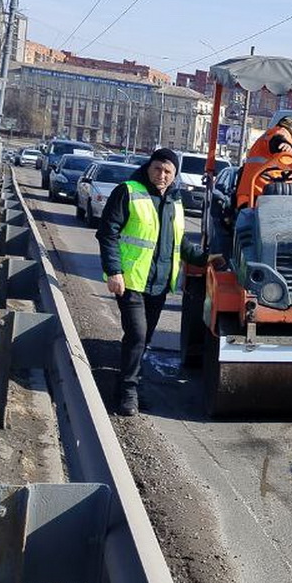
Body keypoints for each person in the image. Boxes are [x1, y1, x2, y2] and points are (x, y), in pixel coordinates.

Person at [98, 147, 213, 416]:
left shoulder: (175, 200)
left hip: (160, 284)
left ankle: (130, 385)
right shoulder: (128, 191)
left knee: (143, 339)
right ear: (149, 168)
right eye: (157, 169)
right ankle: (127, 393)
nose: (161, 175)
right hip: (131, 281)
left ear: (175, 175)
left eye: (167, 171)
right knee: (137, 335)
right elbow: (107, 232)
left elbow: (178, 242)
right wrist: (114, 271)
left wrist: (206, 259)